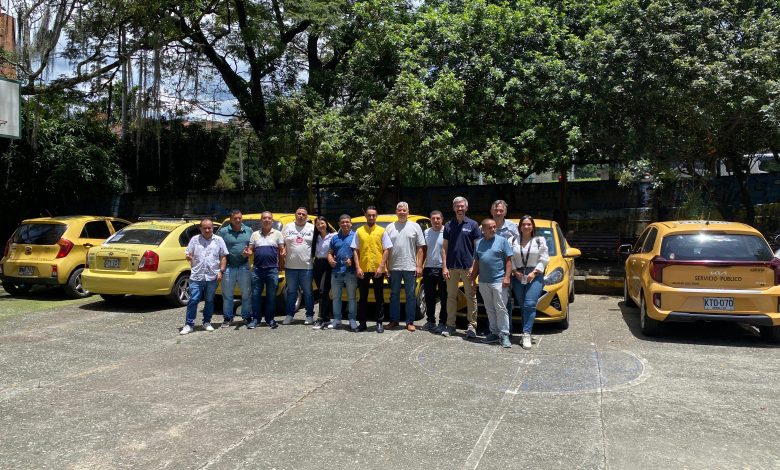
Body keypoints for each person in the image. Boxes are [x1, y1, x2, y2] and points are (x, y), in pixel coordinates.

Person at [441, 196, 481, 337]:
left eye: (462, 206)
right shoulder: (448, 225)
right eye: (457, 206)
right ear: (453, 208)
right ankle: (450, 325)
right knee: (451, 297)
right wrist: (444, 267)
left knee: (471, 296)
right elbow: (444, 248)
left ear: (466, 208)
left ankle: (472, 326)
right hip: (451, 268)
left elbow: (478, 248)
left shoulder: (473, 225)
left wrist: (474, 267)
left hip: (468, 268)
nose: (460, 208)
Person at [470, 218, 513, 348]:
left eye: (494, 227)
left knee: (501, 308)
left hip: (499, 281)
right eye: (490, 227)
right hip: (483, 282)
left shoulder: (502, 241)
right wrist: (473, 279)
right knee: (490, 309)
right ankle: (494, 333)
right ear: (483, 229)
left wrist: (507, 277)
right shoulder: (479, 243)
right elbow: (477, 263)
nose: (493, 229)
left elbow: (508, 261)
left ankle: (504, 334)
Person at [180, 218, 228, 335]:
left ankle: (207, 322)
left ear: (213, 228)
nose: (207, 230)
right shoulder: (194, 240)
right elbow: (188, 254)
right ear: (200, 228)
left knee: (209, 300)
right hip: (197, 275)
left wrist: (221, 271)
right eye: (205, 228)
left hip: (212, 275)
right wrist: (189, 257)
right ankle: (189, 324)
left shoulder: (219, 240)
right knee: (193, 300)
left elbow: (223, 256)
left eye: (209, 228)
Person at [510, 215, 550, 349]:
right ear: (520, 227)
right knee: (523, 306)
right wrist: (515, 272)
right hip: (518, 275)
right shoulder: (513, 240)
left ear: (532, 226)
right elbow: (510, 258)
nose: (526, 227)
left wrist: (534, 273)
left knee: (530, 304)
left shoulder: (539, 240)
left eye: (529, 224)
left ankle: (526, 333)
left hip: (535, 274)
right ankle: (524, 331)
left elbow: (544, 258)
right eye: (524, 224)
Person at [385, 202, 426, 332]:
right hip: (394, 267)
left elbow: (420, 248)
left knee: (410, 295)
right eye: (400, 210)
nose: (402, 212)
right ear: (396, 212)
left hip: (410, 267)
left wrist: (419, 266)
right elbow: (385, 248)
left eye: (404, 210)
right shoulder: (390, 227)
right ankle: (394, 320)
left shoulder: (415, 227)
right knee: (394, 294)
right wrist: (386, 266)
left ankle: (410, 321)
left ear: (408, 212)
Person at [352, 206, 392, 333]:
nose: (371, 217)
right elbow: (355, 250)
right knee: (362, 297)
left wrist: (381, 267)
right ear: (366, 216)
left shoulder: (382, 231)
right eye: (369, 215)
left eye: (373, 215)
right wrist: (357, 267)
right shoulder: (359, 231)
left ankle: (379, 322)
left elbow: (387, 249)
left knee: (379, 297)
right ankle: (362, 323)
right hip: (363, 269)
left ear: (376, 216)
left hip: (377, 269)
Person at [245, 211, 284, 329]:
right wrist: (248, 252)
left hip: (272, 270)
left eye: (269, 218)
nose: (266, 220)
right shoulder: (255, 234)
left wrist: (282, 258)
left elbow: (281, 250)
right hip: (257, 270)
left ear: (271, 220)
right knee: (255, 295)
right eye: (264, 218)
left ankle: (270, 319)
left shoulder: (278, 234)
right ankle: (256, 319)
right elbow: (251, 249)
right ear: (261, 220)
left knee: (271, 296)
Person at [217, 209, 253, 328]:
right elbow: (217, 249)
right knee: (227, 294)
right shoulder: (223, 232)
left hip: (244, 265)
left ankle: (247, 317)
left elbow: (253, 247)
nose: (237, 220)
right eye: (235, 218)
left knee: (246, 293)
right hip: (228, 267)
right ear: (231, 219)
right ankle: (228, 318)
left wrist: (249, 252)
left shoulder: (248, 230)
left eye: (239, 218)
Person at [490, 199, 519, 333]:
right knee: (491, 303)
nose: (498, 212)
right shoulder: (484, 227)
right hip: (490, 270)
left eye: (501, 210)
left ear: (505, 212)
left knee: (505, 303)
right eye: (496, 210)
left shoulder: (512, 227)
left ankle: (507, 330)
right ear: (491, 211)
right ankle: (493, 329)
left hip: (507, 269)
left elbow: (518, 247)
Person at [282, 207, 315, 325]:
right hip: (290, 267)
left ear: (307, 217)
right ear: (295, 215)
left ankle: (310, 315)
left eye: (303, 214)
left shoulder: (312, 228)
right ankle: (289, 315)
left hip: (307, 267)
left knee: (308, 292)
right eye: (299, 214)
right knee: (291, 292)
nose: (301, 216)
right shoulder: (288, 227)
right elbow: (282, 243)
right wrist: (283, 250)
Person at [328, 214, 358, 330]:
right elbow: (330, 252)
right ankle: (337, 319)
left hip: (350, 272)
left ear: (351, 224)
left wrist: (353, 262)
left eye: (347, 222)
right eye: (343, 222)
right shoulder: (335, 237)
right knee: (336, 298)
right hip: (336, 272)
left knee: (351, 297)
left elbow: (359, 253)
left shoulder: (355, 236)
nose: (345, 224)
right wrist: (330, 259)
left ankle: (352, 319)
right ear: (339, 224)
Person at [421, 210, 447, 332]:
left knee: (444, 296)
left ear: (442, 219)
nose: (436, 220)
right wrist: (420, 266)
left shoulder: (447, 231)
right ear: (430, 220)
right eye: (433, 218)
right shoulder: (426, 232)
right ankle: (430, 320)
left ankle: (442, 322)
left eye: (438, 218)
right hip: (429, 268)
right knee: (429, 297)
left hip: (443, 268)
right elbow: (424, 250)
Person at [311, 216, 336, 330]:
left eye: (322, 223)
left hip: (328, 265)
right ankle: (327, 317)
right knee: (324, 293)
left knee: (322, 291)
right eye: (318, 224)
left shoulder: (333, 236)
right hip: (317, 264)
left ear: (326, 223)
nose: (320, 226)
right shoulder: (315, 237)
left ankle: (320, 318)